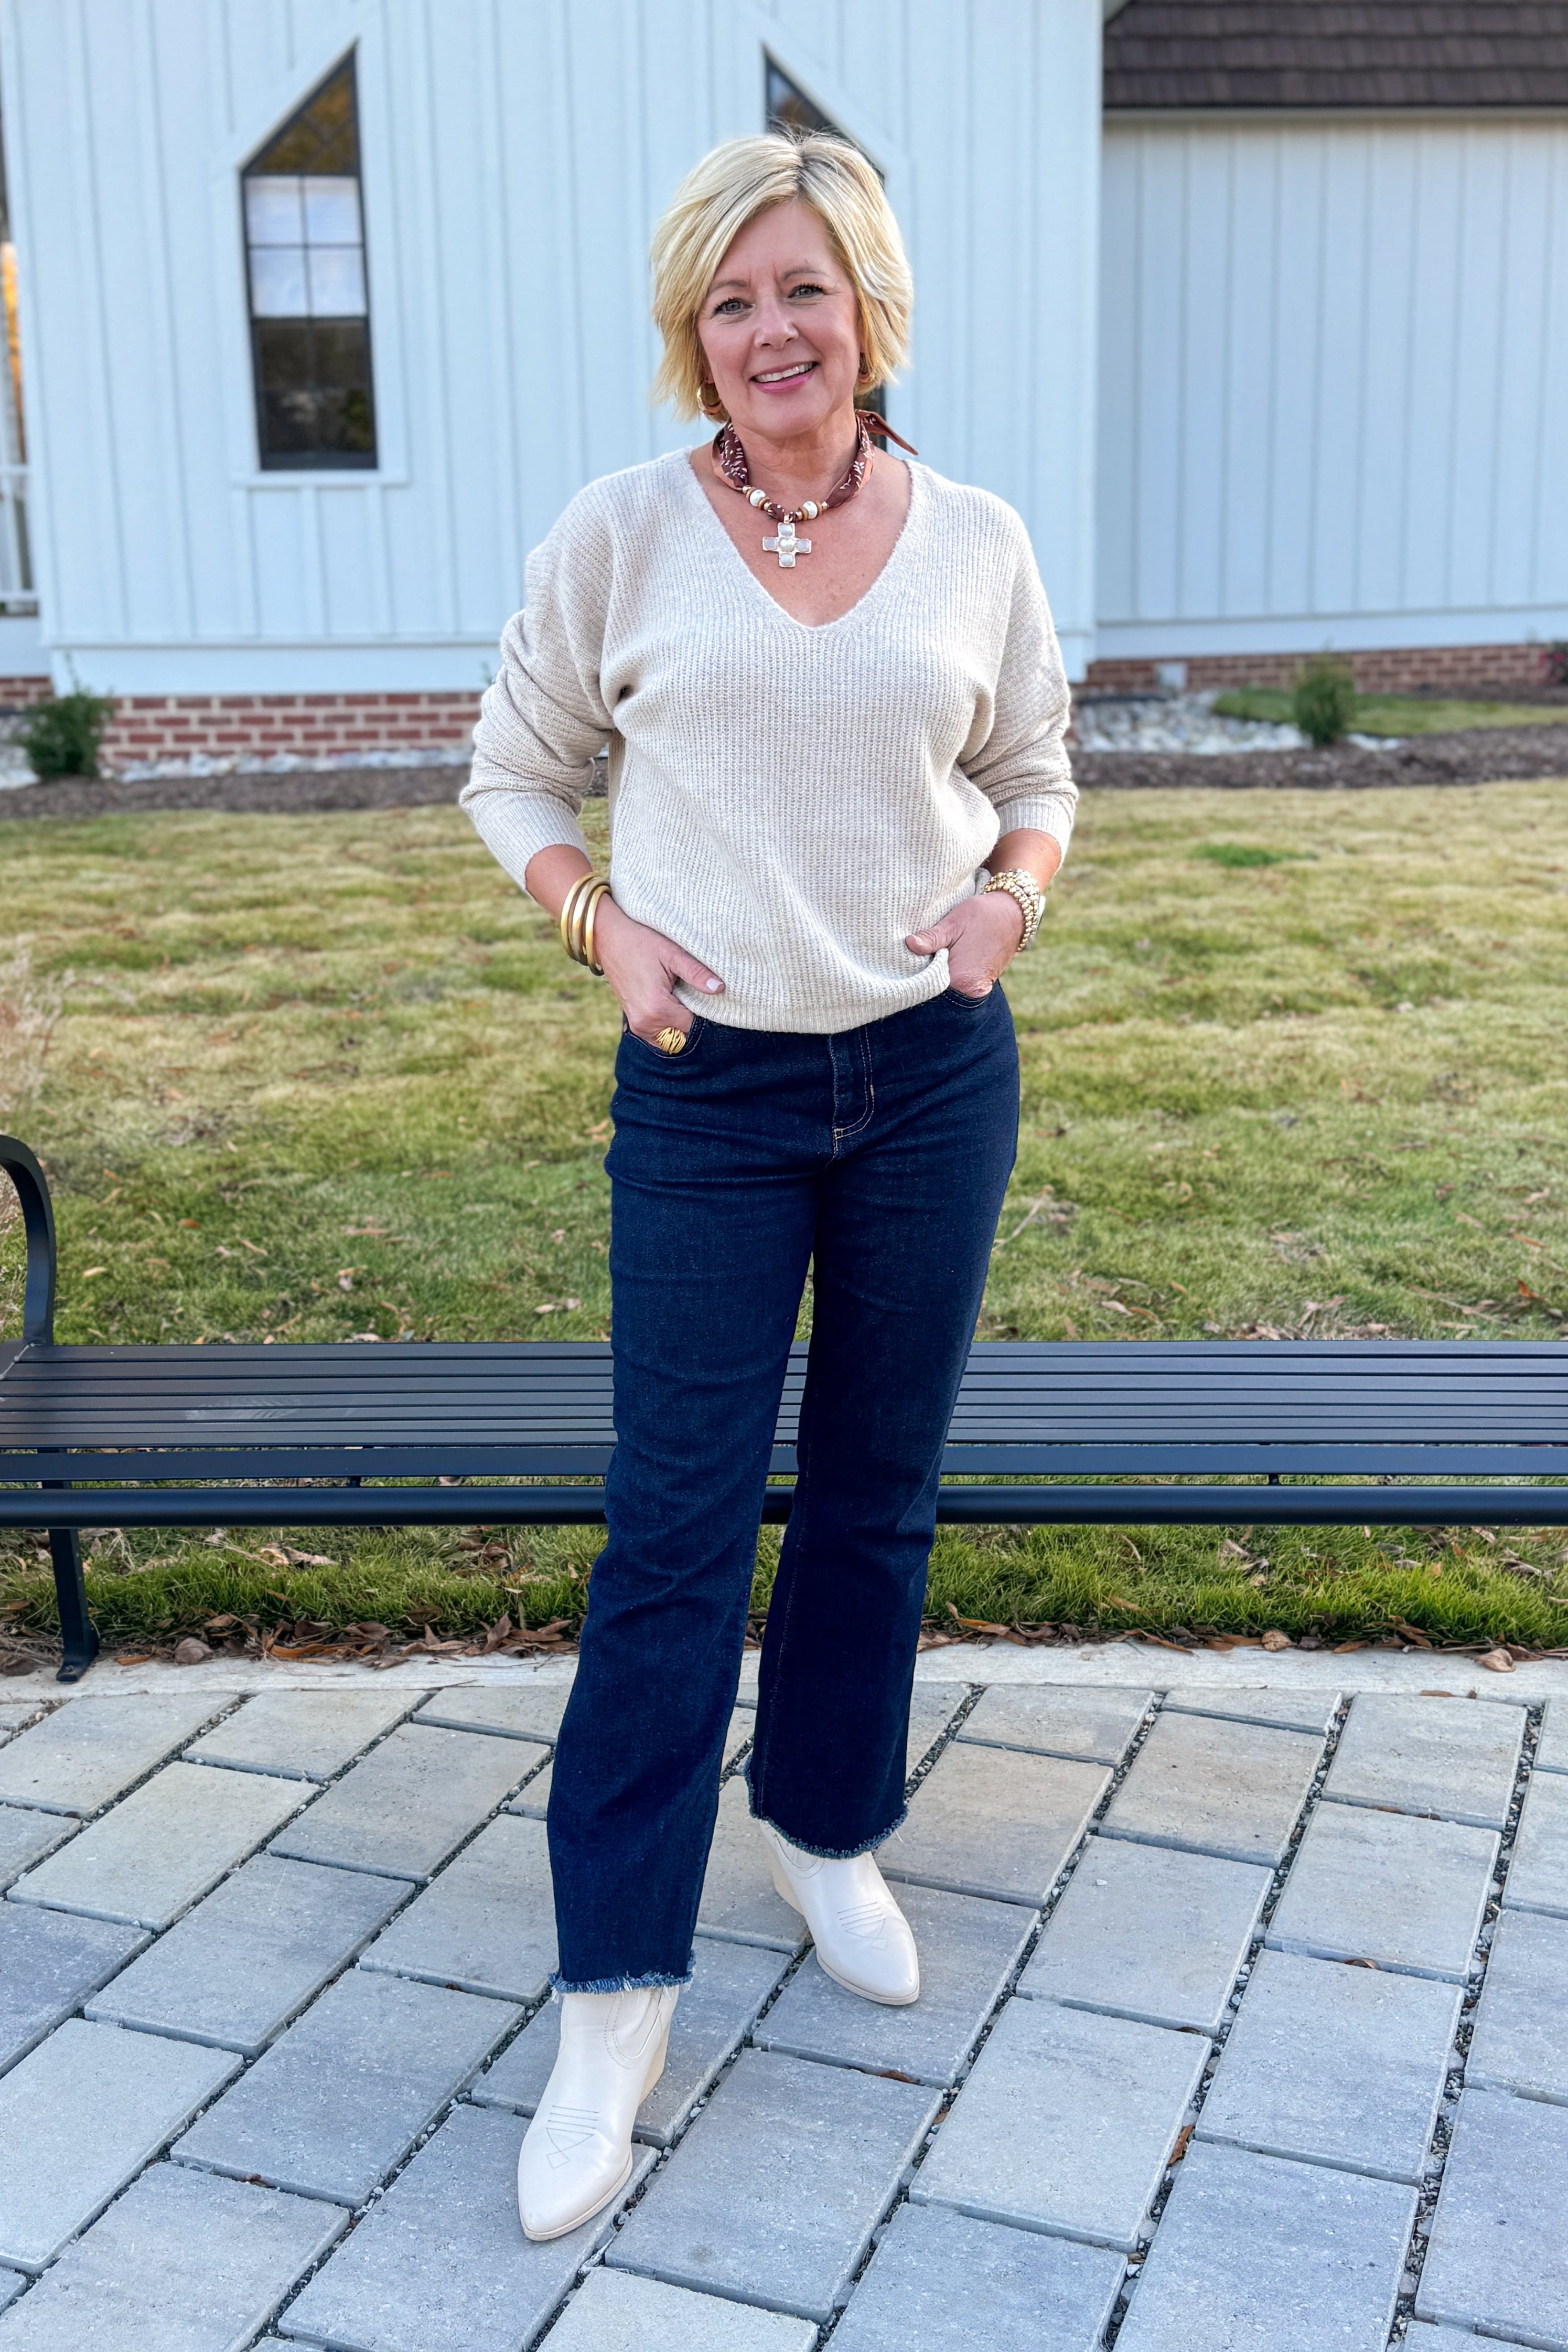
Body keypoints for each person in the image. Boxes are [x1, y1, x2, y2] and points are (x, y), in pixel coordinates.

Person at [461, 129, 1076, 2242]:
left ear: (867, 309)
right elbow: (513, 767)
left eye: (800, 289)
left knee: (878, 1496)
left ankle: (824, 1823)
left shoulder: (977, 537)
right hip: (705, 1090)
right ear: (688, 336)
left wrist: (1010, 896)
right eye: (727, 301)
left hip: (926, 1082)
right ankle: (614, 1986)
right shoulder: (618, 535)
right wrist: (592, 924)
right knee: (673, 1530)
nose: (767, 331)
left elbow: (1038, 774)